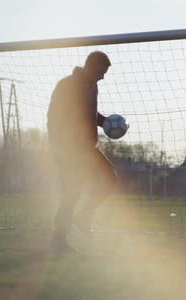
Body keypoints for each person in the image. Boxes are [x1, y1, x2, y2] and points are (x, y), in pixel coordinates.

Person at [47, 51, 118, 253]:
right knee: (72, 192)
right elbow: (52, 116)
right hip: (68, 149)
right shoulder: (66, 85)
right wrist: (58, 146)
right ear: (91, 66)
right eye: (101, 72)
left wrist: (106, 123)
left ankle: (84, 215)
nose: (103, 77)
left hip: (87, 148)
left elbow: (90, 113)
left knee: (109, 178)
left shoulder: (92, 87)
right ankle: (58, 240)